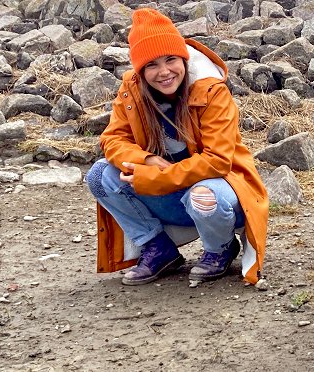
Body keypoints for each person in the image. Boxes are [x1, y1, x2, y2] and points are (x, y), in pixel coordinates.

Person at [85, 8, 269, 286]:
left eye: (171, 59)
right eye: (152, 65)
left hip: (221, 195)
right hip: (171, 192)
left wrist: (154, 176)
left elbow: (217, 162)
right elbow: (113, 139)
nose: (164, 72)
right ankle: (158, 249)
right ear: (140, 69)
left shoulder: (212, 91)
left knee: (204, 194)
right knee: (100, 176)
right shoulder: (131, 90)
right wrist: (146, 160)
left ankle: (220, 248)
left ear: (183, 57)